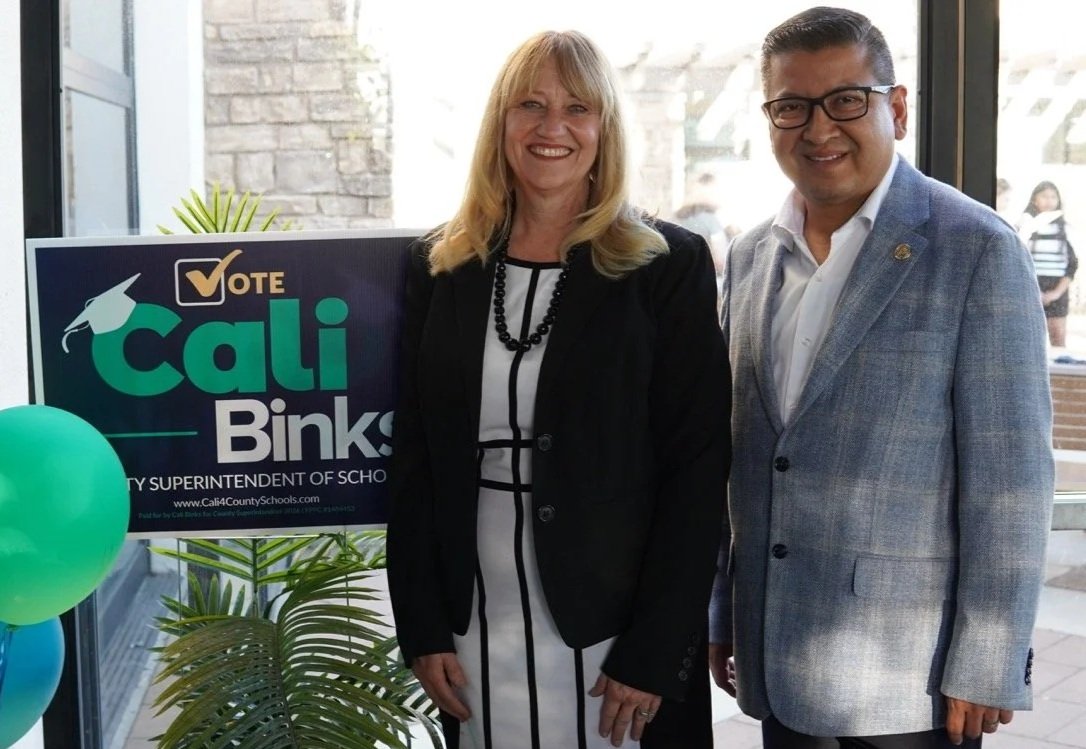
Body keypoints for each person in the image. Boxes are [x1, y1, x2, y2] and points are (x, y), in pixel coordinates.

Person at [708, 7, 1054, 749]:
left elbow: (1012, 480)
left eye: (846, 100)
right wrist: (721, 613)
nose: (818, 127)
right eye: (791, 106)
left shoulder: (977, 251)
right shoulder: (748, 258)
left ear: (895, 107)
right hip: (777, 653)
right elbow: (735, 459)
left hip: (912, 681)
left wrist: (989, 660)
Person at [387, 30, 729, 749]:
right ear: (500, 124)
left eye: (578, 108)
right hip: (471, 616)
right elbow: (416, 457)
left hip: (615, 625)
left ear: (604, 128)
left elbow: (698, 472)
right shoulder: (442, 265)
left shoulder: (666, 265)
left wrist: (657, 648)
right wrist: (420, 624)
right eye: (531, 105)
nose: (553, 128)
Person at [1017, 180, 1079, 347]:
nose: (1049, 200)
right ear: (1034, 199)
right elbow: (1018, 259)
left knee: (1058, 336)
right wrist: (1033, 291)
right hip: (1031, 285)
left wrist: (1056, 293)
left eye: (1053, 197)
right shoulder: (1025, 225)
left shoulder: (1066, 228)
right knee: (1029, 340)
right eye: (1044, 196)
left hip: (1057, 288)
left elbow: (1072, 265)